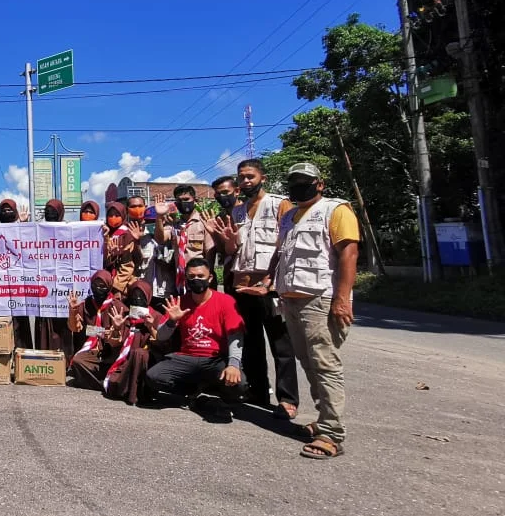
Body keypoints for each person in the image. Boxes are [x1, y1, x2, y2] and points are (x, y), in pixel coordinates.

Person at [269, 162, 359, 460]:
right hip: (291, 301)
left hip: (320, 300)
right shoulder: (290, 218)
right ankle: (323, 421)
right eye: (294, 180)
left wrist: (342, 298)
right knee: (308, 362)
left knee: (325, 364)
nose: (298, 185)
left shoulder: (336, 210)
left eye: (305, 181)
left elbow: (349, 252)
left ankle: (332, 434)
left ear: (319, 183)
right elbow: (283, 258)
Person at [216, 159, 301, 420]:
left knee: (280, 344)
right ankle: (258, 390)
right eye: (241, 177)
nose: (245, 181)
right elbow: (233, 251)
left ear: (262, 178)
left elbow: (289, 247)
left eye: (250, 176)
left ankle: (287, 399)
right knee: (251, 342)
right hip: (243, 286)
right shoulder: (237, 212)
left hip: (270, 287)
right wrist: (228, 242)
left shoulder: (280, 205)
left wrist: (272, 283)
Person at [144, 258, 247, 405]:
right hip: (187, 357)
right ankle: (192, 390)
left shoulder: (225, 301)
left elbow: (235, 335)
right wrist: (172, 321)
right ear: (186, 279)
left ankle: (211, 390)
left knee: (239, 384)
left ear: (210, 278)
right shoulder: (180, 302)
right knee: (153, 377)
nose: (196, 280)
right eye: (191, 277)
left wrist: (233, 364)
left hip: (215, 359)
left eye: (200, 276)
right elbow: (161, 336)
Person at [0, 198, 32, 349]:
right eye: (4, 210)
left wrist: (24, 224)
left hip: (18, 282)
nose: (7, 212)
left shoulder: (20, 228)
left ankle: (22, 351)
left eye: (10, 210)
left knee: (19, 319)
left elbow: (30, 243)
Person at [103, 280, 162, 404]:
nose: (138, 299)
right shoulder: (124, 315)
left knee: (139, 353)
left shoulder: (156, 316)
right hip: (124, 359)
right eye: (134, 296)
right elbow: (114, 343)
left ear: (148, 296)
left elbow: (162, 344)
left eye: (141, 296)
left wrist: (151, 327)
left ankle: (138, 393)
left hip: (147, 361)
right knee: (112, 383)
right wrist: (117, 328)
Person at [66, 270, 123, 390]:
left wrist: (114, 331)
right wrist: (73, 312)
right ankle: (102, 385)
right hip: (93, 350)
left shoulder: (117, 306)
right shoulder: (86, 304)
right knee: (77, 361)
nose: (98, 289)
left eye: (102, 286)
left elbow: (119, 339)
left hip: (111, 350)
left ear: (109, 286)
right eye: (95, 285)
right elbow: (75, 328)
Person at [155, 184, 215, 294]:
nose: (183, 203)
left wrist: (207, 278)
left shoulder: (204, 222)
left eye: (186, 199)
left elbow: (210, 253)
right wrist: (159, 217)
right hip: (180, 279)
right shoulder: (174, 224)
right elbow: (160, 239)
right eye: (179, 200)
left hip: (199, 278)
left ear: (195, 200)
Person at [34, 199, 73, 356]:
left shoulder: (68, 229)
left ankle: (64, 358)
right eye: (47, 209)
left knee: (61, 322)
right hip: (43, 282)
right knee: (44, 320)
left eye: (54, 210)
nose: (50, 213)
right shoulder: (37, 230)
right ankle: (43, 354)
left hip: (62, 283)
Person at [103, 200, 144, 293]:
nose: (113, 218)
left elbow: (128, 266)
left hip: (121, 287)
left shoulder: (128, 234)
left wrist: (116, 287)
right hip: (104, 284)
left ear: (123, 215)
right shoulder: (105, 233)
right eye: (110, 215)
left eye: (117, 215)